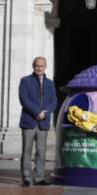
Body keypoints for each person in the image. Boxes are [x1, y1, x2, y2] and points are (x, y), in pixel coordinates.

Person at [19, 56, 58, 186]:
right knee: (27, 151)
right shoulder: (25, 81)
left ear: (45, 67)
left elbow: (54, 101)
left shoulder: (50, 83)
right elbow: (24, 100)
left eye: (41, 66)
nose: (39, 68)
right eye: (37, 66)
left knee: (41, 151)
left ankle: (39, 177)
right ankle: (26, 178)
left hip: (43, 123)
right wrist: (37, 112)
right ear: (33, 66)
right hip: (29, 122)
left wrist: (45, 113)